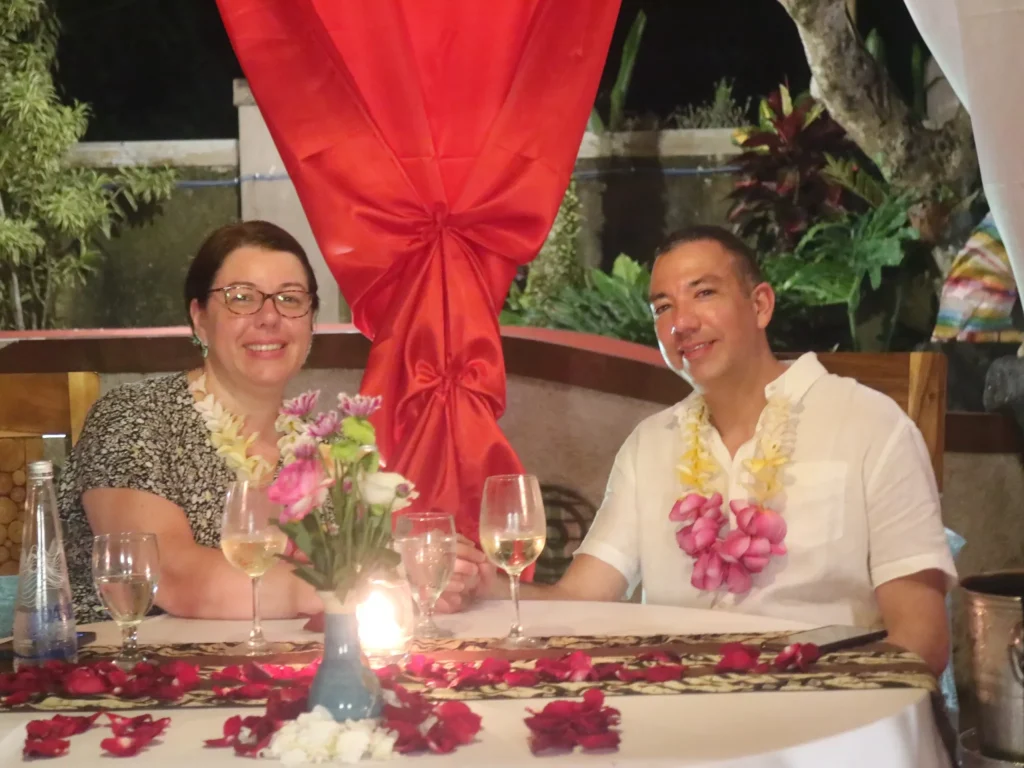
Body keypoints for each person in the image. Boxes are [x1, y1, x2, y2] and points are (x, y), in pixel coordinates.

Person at [443, 225, 956, 676]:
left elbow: (921, 639)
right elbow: (578, 600)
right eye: (662, 307)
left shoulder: (869, 423)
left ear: (760, 305)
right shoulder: (650, 444)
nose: (680, 322)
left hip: (827, 709)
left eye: (703, 293)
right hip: (676, 707)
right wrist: (489, 585)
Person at [58, 221, 327, 624]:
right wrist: (341, 590)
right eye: (241, 298)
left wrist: (421, 572)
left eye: (289, 299)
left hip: (291, 671)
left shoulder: (324, 442)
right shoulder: (133, 418)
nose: (269, 317)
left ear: (311, 321)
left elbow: (362, 559)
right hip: (127, 675)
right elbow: (171, 576)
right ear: (199, 318)